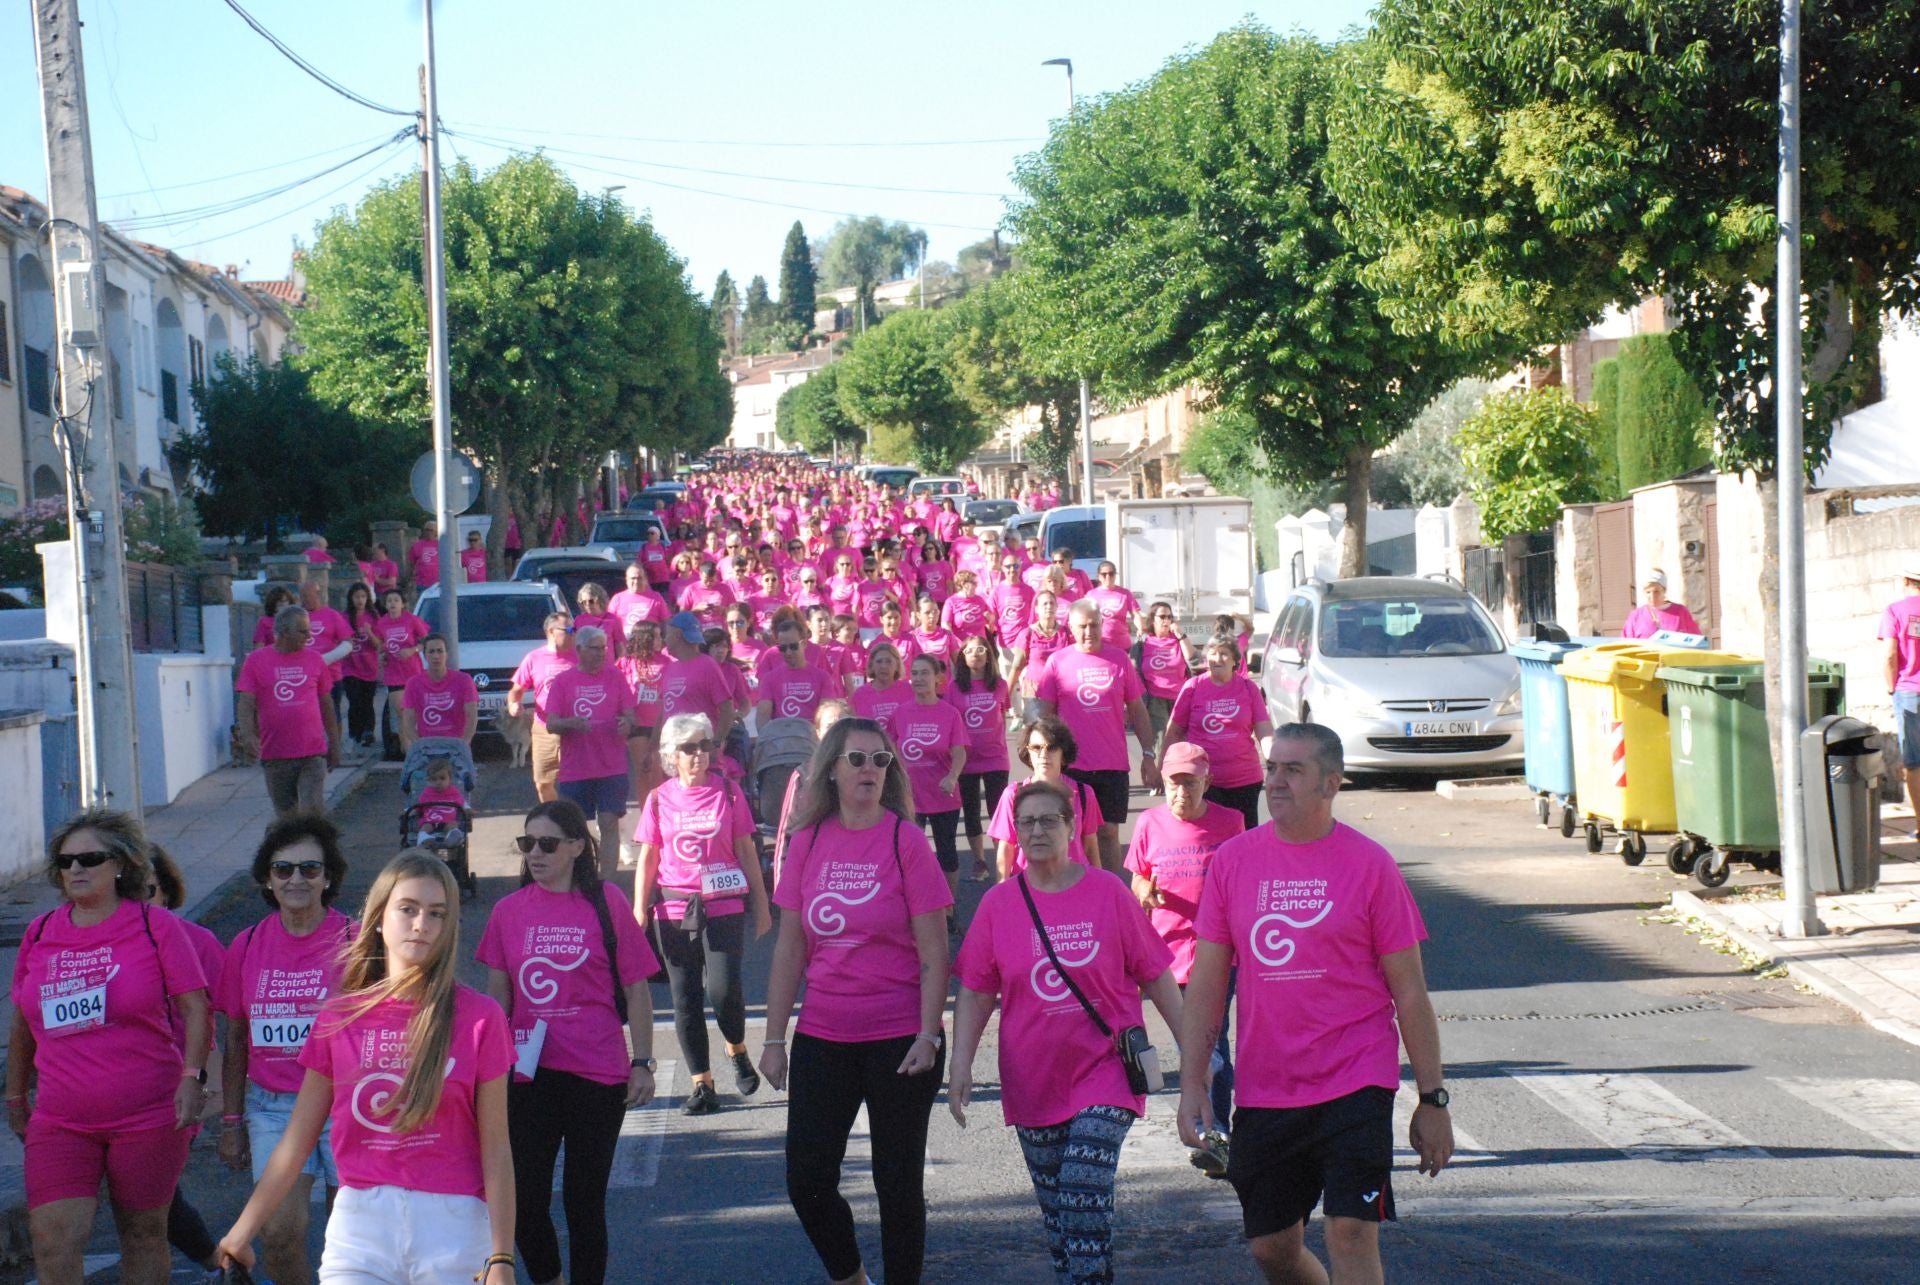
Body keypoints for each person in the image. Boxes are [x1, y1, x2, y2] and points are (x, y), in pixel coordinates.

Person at [1178, 724, 1453, 1285]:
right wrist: (1192, 1084)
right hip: (1267, 1084)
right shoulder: (1233, 862)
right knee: (1271, 1248)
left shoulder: (1370, 864)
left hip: (1356, 1077)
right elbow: (1207, 981)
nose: (1275, 781)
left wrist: (1433, 1099)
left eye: (1293, 771)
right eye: (1272, 767)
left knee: (1350, 1230)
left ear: (1331, 784)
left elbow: (1410, 990)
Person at [216, 851, 517, 1285]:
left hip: (454, 1225)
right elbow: (297, 1138)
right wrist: (242, 1231)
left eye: (436, 914)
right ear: (378, 918)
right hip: (360, 1229)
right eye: (408, 909)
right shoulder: (338, 1017)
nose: (421, 924)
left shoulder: (481, 1018)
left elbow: (496, 1148)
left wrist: (501, 1256)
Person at [949, 779, 1183, 1285]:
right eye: (1026, 822)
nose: (1036, 831)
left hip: (1105, 1072)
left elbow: (1155, 975)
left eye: (1048, 820)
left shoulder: (1108, 892)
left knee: (1082, 1181)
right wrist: (960, 1065)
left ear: (1071, 827)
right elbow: (974, 991)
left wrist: (1195, 1051)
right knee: (1064, 1219)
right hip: (1033, 1080)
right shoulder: (998, 905)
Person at [760, 717, 953, 1285]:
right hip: (825, 1034)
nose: (870, 769)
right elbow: (790, 945)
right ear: (832, 770)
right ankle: (850, 1277)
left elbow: (934, 951)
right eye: (858, 759)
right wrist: (773, 1040)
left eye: (880, 761)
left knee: (897, 1186)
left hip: (899, 1040)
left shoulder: (905, 840)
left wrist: (927, 1034)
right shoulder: (810, 839)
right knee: (808, 1180)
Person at [7, 809, 211, 1285]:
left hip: (148, 1113)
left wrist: (193, 1077)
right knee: (53, 1239)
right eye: (66, 860)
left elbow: (196, 1008)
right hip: (62, 1119)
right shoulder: (39, 934)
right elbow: (22, 1022)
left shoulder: (154, 926)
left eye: (90, 858)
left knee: (142, 1234)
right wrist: (15, 1095)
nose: (75, 869)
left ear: (121, 865)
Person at [479, 801, 660, 1285]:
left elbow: (636, 988)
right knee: (523, 1200)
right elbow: (498, 1004)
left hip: (597, 1075)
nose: (535, 853)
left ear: (577, 847)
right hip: (528, 1075)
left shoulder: (606, 903)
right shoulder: (506, 912)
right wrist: (486, 1077)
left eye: (548, 844)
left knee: (584, 1202)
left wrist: (642, 1061)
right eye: (527, 843)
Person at [216, 814, 357, 1285]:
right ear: (266, 879)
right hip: (274, 1108)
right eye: (283, 869)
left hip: (347, 1105)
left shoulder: (360, 942)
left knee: (353, 1234)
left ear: (328, 877)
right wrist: (232, 1120)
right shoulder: (248, 944)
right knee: (277, 1232)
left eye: (310, 869)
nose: (296, 879)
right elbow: (235, 1038)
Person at [633, 713, 770, 1115]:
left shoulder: (728, 792)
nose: (698, 754)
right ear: (671, 756)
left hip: (724, 902)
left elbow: (747, 849)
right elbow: (648, 858)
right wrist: (638, 909)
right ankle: (702, 1084)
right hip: (675, 906)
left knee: (724, 990)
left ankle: (737, 1047)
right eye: (689, 748)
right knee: (685, 997)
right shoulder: (659, 799)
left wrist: (762, 904)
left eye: (704, 745)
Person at [1124, 743, 1244, 1133]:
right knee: (1190, 1043)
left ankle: (1214, 1128)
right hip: (1165, 954)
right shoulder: (1149, 823)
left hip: (1218, 954)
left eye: (1190, 783)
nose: (1181, 792)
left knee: (1212, 1040)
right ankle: (1204, 1119)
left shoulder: (1232, 823)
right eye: (1174, 783)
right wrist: (1143, 890)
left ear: (1206, 782)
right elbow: (1137, 875)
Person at [137, 847, 227, 1276]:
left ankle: (216, 1262)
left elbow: (233, 1011)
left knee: (152, 1192)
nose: (138, 902)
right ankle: (218, 1263)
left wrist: (218, 1088)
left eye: (148, 891)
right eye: (127, 891)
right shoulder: (100, 946)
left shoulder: (197, 942)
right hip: (120, 1089)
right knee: (145, 1194)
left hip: (179, 1086)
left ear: (168, 893)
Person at [1032, 600, 1163, 872]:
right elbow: (1045, 719)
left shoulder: (1119, 659)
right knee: (1071, 833)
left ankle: (1111, 892)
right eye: (1082, 626)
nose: (1089, 632)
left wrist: (1148, 754)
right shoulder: (1058, 662)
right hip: (1071, 765)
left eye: (1094, 625)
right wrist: (1042, 762)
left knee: (1108, 833)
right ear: (1070, 627)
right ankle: (1071, 891)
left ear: (1102, 625)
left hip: (1111, 763)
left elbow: (1137, 709)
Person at [545, 625, 644, 870]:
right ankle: (579, 877)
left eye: (604, 648)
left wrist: (626, 724)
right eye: (595, 648)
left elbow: (632, 717)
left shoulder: (615, 677)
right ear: (579, 650)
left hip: (612, 767)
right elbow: (551, 724)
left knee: (609, 822)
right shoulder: (563, 681)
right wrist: (572, 724)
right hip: (576, 769)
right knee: (573, 829)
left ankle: (606, 884)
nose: (601, 653)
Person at [235, 605, 342, 817]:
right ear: (283, 633)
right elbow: (246, 702)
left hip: (312, 752)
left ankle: (316, 848)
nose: (309, 636)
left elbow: (327, 704)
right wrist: (247, 735)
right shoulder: (256, 661)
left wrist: (335, 742)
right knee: (287, 817)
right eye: (302, 631)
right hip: (276, 755)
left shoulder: (315, 660)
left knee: (312, 810)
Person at [1164, 635, 1274, 831]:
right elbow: (1174, 732)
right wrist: (1162, 768)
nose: (1217, 659)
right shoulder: (1193, 687)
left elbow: (1264, 730)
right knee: (1208, 836)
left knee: (1243, 837)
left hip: (1244, 779)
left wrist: (1274, 762)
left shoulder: (1248, 688)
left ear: (1235, 660)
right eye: (1213, 654)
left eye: (1224, 654)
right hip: (1202, 782)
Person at [896, 655, 968, 911]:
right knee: (908, 855)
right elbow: (892, 747)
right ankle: (912, 907)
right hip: (910, 796)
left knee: (946, 853)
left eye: (924, 673)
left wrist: (952, 777)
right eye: (914, 673)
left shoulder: (949, 714)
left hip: (942, 794)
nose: (918, 678)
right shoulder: (901, 712)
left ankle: (948, 909)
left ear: (938, 678)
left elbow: (959, 751)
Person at [988, 716, 1102, 878]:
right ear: (1027, 752)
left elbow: (1090, 845)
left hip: (1075, 882)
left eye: (1052, 748)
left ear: (1064, 753)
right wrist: (1002, 891)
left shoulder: (1084, 793)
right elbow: (1006, 849)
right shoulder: (1012, 795)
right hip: (1029, 884)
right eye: (1036, 747)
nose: (1043, 754)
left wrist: (1098, 885)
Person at [949, 634, 1011, 882]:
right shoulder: (954, 688)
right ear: (962, 656)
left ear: (989, 656)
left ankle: (1000, 859)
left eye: (981, 650)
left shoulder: (1000, 684)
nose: (975, 654)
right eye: (970, 650)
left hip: (996, 756)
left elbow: (1002, 715)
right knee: (972, 811)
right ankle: (979, 859)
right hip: (967, 759)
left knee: (998, 811)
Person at [508, 612, 579, 804]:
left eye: (574, 629)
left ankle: (576, 822)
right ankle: (554, 818)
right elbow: (516, 690)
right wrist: (514, 704)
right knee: (543, 783)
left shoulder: (580, 656)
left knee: (576, 783)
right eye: (569, 630)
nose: (574, 633)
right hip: (544, 729)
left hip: (575, 728)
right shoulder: (534, 658)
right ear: (550, 631)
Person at [373, 588, 431, 761]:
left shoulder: (411, 620)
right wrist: (381, 656)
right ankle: (408, 750)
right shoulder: (382, 623)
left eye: (396, 600)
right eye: (389, 601)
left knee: (416, 712)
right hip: (393, 673)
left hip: (413, 671)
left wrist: (412, 650)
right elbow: (380, 645)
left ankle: (419, 745)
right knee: (401, 712)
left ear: (403, 604)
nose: (392, 604)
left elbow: (425, 641)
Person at [1880, 564, 1920, 807]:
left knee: (1915, 763)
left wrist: (1891, 686)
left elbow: (1889, 655)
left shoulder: (1895, 611)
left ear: (1906, 581)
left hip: (1909, 691)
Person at [400, 633, 480, 751]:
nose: (436, 656)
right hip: (427, 745)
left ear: (446, 654)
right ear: (425, 655)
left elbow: (472, 715)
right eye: (431, 652)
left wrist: (464, 742)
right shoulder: (413, 683)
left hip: (456, 744)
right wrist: (418, 743)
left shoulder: (464, 680)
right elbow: (408, 718)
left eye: (440, 651)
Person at [756, 618, 840, 725]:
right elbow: (763, 715)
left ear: (804, 644)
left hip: (812, 737)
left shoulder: (822, 677)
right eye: (783, 648)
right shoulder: (770, 679)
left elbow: (827, 715)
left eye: (793, 646)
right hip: (781, 737)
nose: (788, 652)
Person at [1137, 601, 1195, 750]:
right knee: (1162, 744)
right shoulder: (1144, 642)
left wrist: (1180, 635)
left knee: (1182, 742)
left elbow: (1192, 657)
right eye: (1162, 616)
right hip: (1156, 700)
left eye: (1169, 617)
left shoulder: (1177, 640)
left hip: (1180, 698)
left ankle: (1181, 773)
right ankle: (1160, 773)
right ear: (1153, 619)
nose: (1166, 621)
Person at [340, 582, 382, 750]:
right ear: (351, 598)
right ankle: (354, 733)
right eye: (357, 597)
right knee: (354, 701)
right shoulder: (344, 617)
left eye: (363, 597)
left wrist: (369, 632)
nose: (360, 600)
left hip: (369, 667)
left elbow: (378, 644)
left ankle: (368, 732)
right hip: (350, 667)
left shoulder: (373, 616)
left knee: (367, 701)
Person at [850, 640, 912, 735]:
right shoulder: (860, 694)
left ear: (897, 665)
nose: (884, 666)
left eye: (888, 661)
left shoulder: (909, 691)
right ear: (871, 666)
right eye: (879, 662)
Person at [1621, 568, 1703, 638]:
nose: (1652, 596)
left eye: (1656, 591)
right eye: (1648, 592)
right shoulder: (1636, 616)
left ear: (1664, 591)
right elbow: (1625, 644)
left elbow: (1696, 640)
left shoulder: (1680, 612)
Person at [409, 758, 470, 851]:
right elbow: (419, 806)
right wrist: (411, 811)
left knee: (452, 825)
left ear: (450, 779)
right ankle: (424, 839)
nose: (438, 782)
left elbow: (461, 802)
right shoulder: (427, 793)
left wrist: (467, 809)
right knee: (425, 827)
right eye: (434, 779)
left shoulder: (453, 792)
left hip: (448, 819)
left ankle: (453, 837)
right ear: (429, 780)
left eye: (442, 778)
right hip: (430, 819)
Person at [1084, 561, 1141, 652]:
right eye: (1104, 574)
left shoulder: (1125, 593)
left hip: (1122, 643)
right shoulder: (1091, 595)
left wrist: (1140, 628)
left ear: (1115, 575)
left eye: (1111, 574)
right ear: (1099, 576)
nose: (1108, 577)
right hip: (1100, 641)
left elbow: (1135, 614)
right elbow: (1085, 617)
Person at [608, 564, 671, 637]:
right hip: (625, 645)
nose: (636, 581)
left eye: (639, 578)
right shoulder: (617, 598)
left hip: (649, 643)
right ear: (627, 580)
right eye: (633, 578)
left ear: (645, 579)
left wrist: (664, 640)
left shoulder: (656, 597)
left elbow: (665, 621)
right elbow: (610, 622)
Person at [408, 519, 442, 592]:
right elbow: (411, 563)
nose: (428, 532)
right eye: (426, 530)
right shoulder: (417, 545)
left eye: (431, 530)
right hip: (422, 583)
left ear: (436, 532)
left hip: (439, 583)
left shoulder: (441, 544)